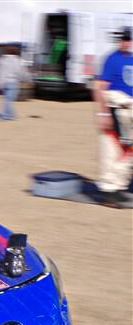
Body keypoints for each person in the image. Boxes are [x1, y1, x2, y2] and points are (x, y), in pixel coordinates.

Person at [92, 26, 132, 207]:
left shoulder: (131, 58)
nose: (125, 42)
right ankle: (109, 192)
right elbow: (100, 87)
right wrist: (103, 113)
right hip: (115, 108)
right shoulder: (111, 59)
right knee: (112, 151)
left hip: (129, 110)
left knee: (127, 151)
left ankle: (118, 185)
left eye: (128, 39)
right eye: (123, 39)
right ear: (119, 40)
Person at [0, 45, 30, 121]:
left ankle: (7, 115)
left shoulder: (1, 60)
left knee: (7, 100)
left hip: (3, 83)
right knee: (8, 100)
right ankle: (9, 115)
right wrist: (27, 79)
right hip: (13, 83)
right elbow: (22, 72)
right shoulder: (19, 61)